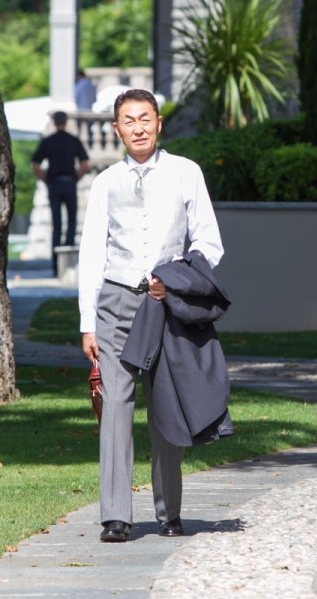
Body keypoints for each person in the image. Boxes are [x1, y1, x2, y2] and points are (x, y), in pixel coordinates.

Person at [78, 89, 224, 543]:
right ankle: (116, 516)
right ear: (117, 128)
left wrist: (175, 279)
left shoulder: (186, 173)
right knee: (116, 407)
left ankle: (169, 512)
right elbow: (91, 255)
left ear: (159, 123)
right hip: (116, 305)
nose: (137, 127)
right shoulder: (104, 183)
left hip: (165, 305)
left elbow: (209, 244)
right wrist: (87, 322)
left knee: (165, 406)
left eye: (145, 119)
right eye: (128, 120)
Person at [31, 111, 90, 275]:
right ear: (66, 122)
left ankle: (56, 265)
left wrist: (46, 179)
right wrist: (75, 179)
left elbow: (36, 164)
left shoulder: (48, 141)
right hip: (69, 182)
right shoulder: (73, 140)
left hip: (54, 183)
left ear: (54, 122)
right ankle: (69, 264)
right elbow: (85, 164)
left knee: (56, 225)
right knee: (71, 222)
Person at [74, 69, 97, 141]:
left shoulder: (79, 85)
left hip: (80, 110)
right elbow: (94, 99)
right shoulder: (91, 84)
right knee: (89, 132)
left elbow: (75, 97)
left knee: (80, 132)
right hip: (89, 109)